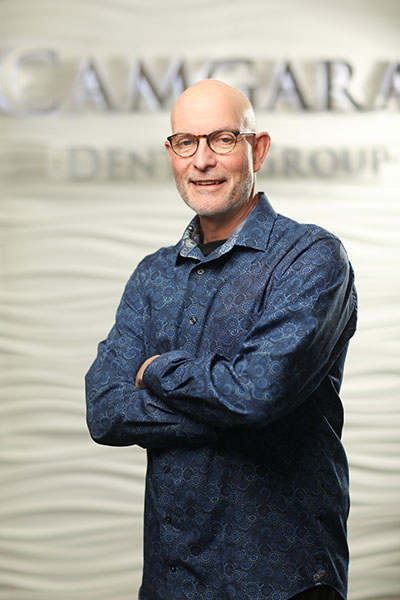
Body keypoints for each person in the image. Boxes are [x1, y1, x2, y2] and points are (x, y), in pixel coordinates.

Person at [85, 79, 357, 600]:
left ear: (259, 149)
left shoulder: (311, 258)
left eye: (223, 139)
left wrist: (155, 370)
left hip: (282, 581)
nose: (202, 159)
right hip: (171, 580)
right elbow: (104, 410)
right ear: (171, 153)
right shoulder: (153, 275)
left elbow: (256, 395)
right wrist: (230, 410)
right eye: (186, 142)